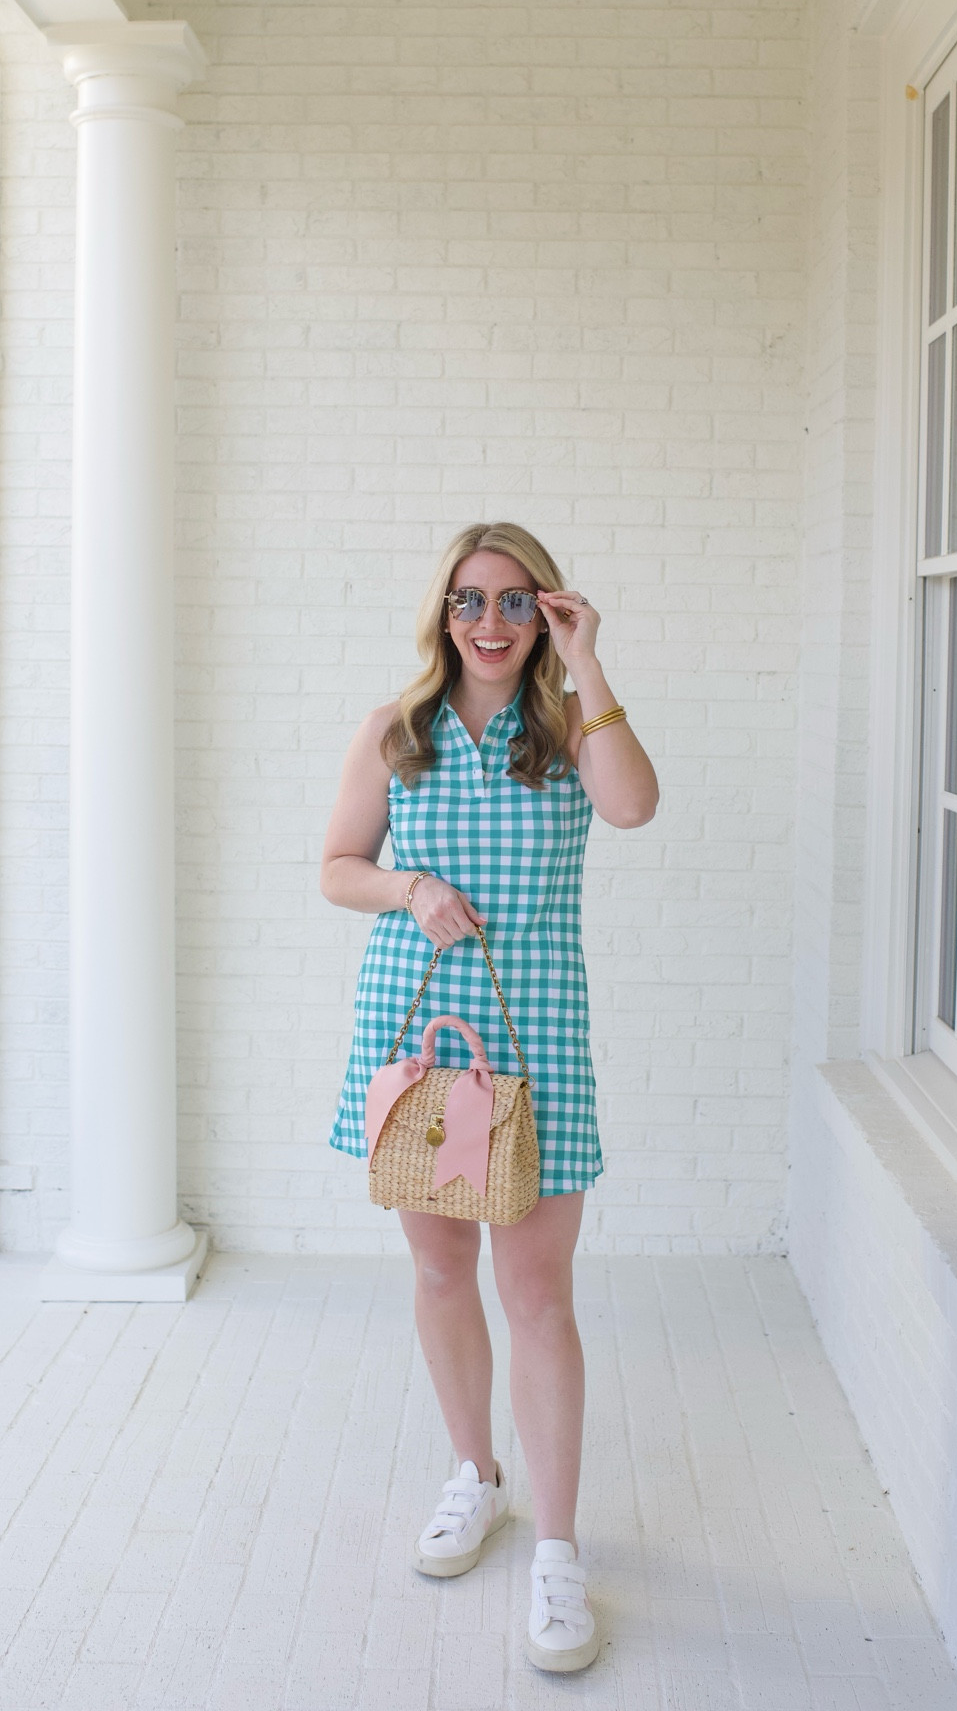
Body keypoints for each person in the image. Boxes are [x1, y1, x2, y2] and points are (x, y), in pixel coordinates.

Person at [321, 522, 658, 1673]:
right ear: (443, 612)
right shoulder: (394, 732)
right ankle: (478, 1477)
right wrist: (409, 887)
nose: (491, 623)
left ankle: (557, 1551)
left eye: (518, 602)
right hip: (414, 1043)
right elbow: (335, 868)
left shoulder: (567, 730)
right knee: (436, 1267)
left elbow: (634, 808)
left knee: (537, 1295)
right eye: (471, 601)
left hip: (537, 1048)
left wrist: (592, 660)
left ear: (545, 613)